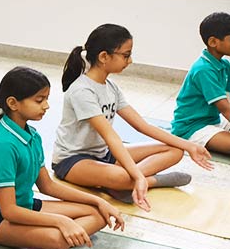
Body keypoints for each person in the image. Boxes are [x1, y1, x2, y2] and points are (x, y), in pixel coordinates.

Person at [0, 67, 125, 249]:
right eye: (39, 100)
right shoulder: (3, 146)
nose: (46, 105)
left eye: (46, 99)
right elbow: (9, 211)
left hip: (24, 206)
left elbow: (47, 186)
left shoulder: (32, 135)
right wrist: (60, 221)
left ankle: (36, 238)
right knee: (57, 238)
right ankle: (39, 240)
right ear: (13, 103)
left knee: (99, 214)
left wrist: (98, 201)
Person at [53, 24, 210, 210]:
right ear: (104, 57)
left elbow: (143, 126)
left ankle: (123, 183)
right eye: (126, 55)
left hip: (103, 154)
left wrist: (189, 145)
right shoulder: (82, 91)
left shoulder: (111, 87)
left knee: (175, 150)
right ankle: (148, 181)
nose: (130, 60)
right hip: (73, 160)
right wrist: (136, 174)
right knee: (121, 176)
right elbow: (110, 136)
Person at [172, 12, 230, 157]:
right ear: (213, 42)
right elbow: (225, 109)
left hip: (214, 121)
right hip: (193, 128)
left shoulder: (223, 64)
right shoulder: (203, 70)